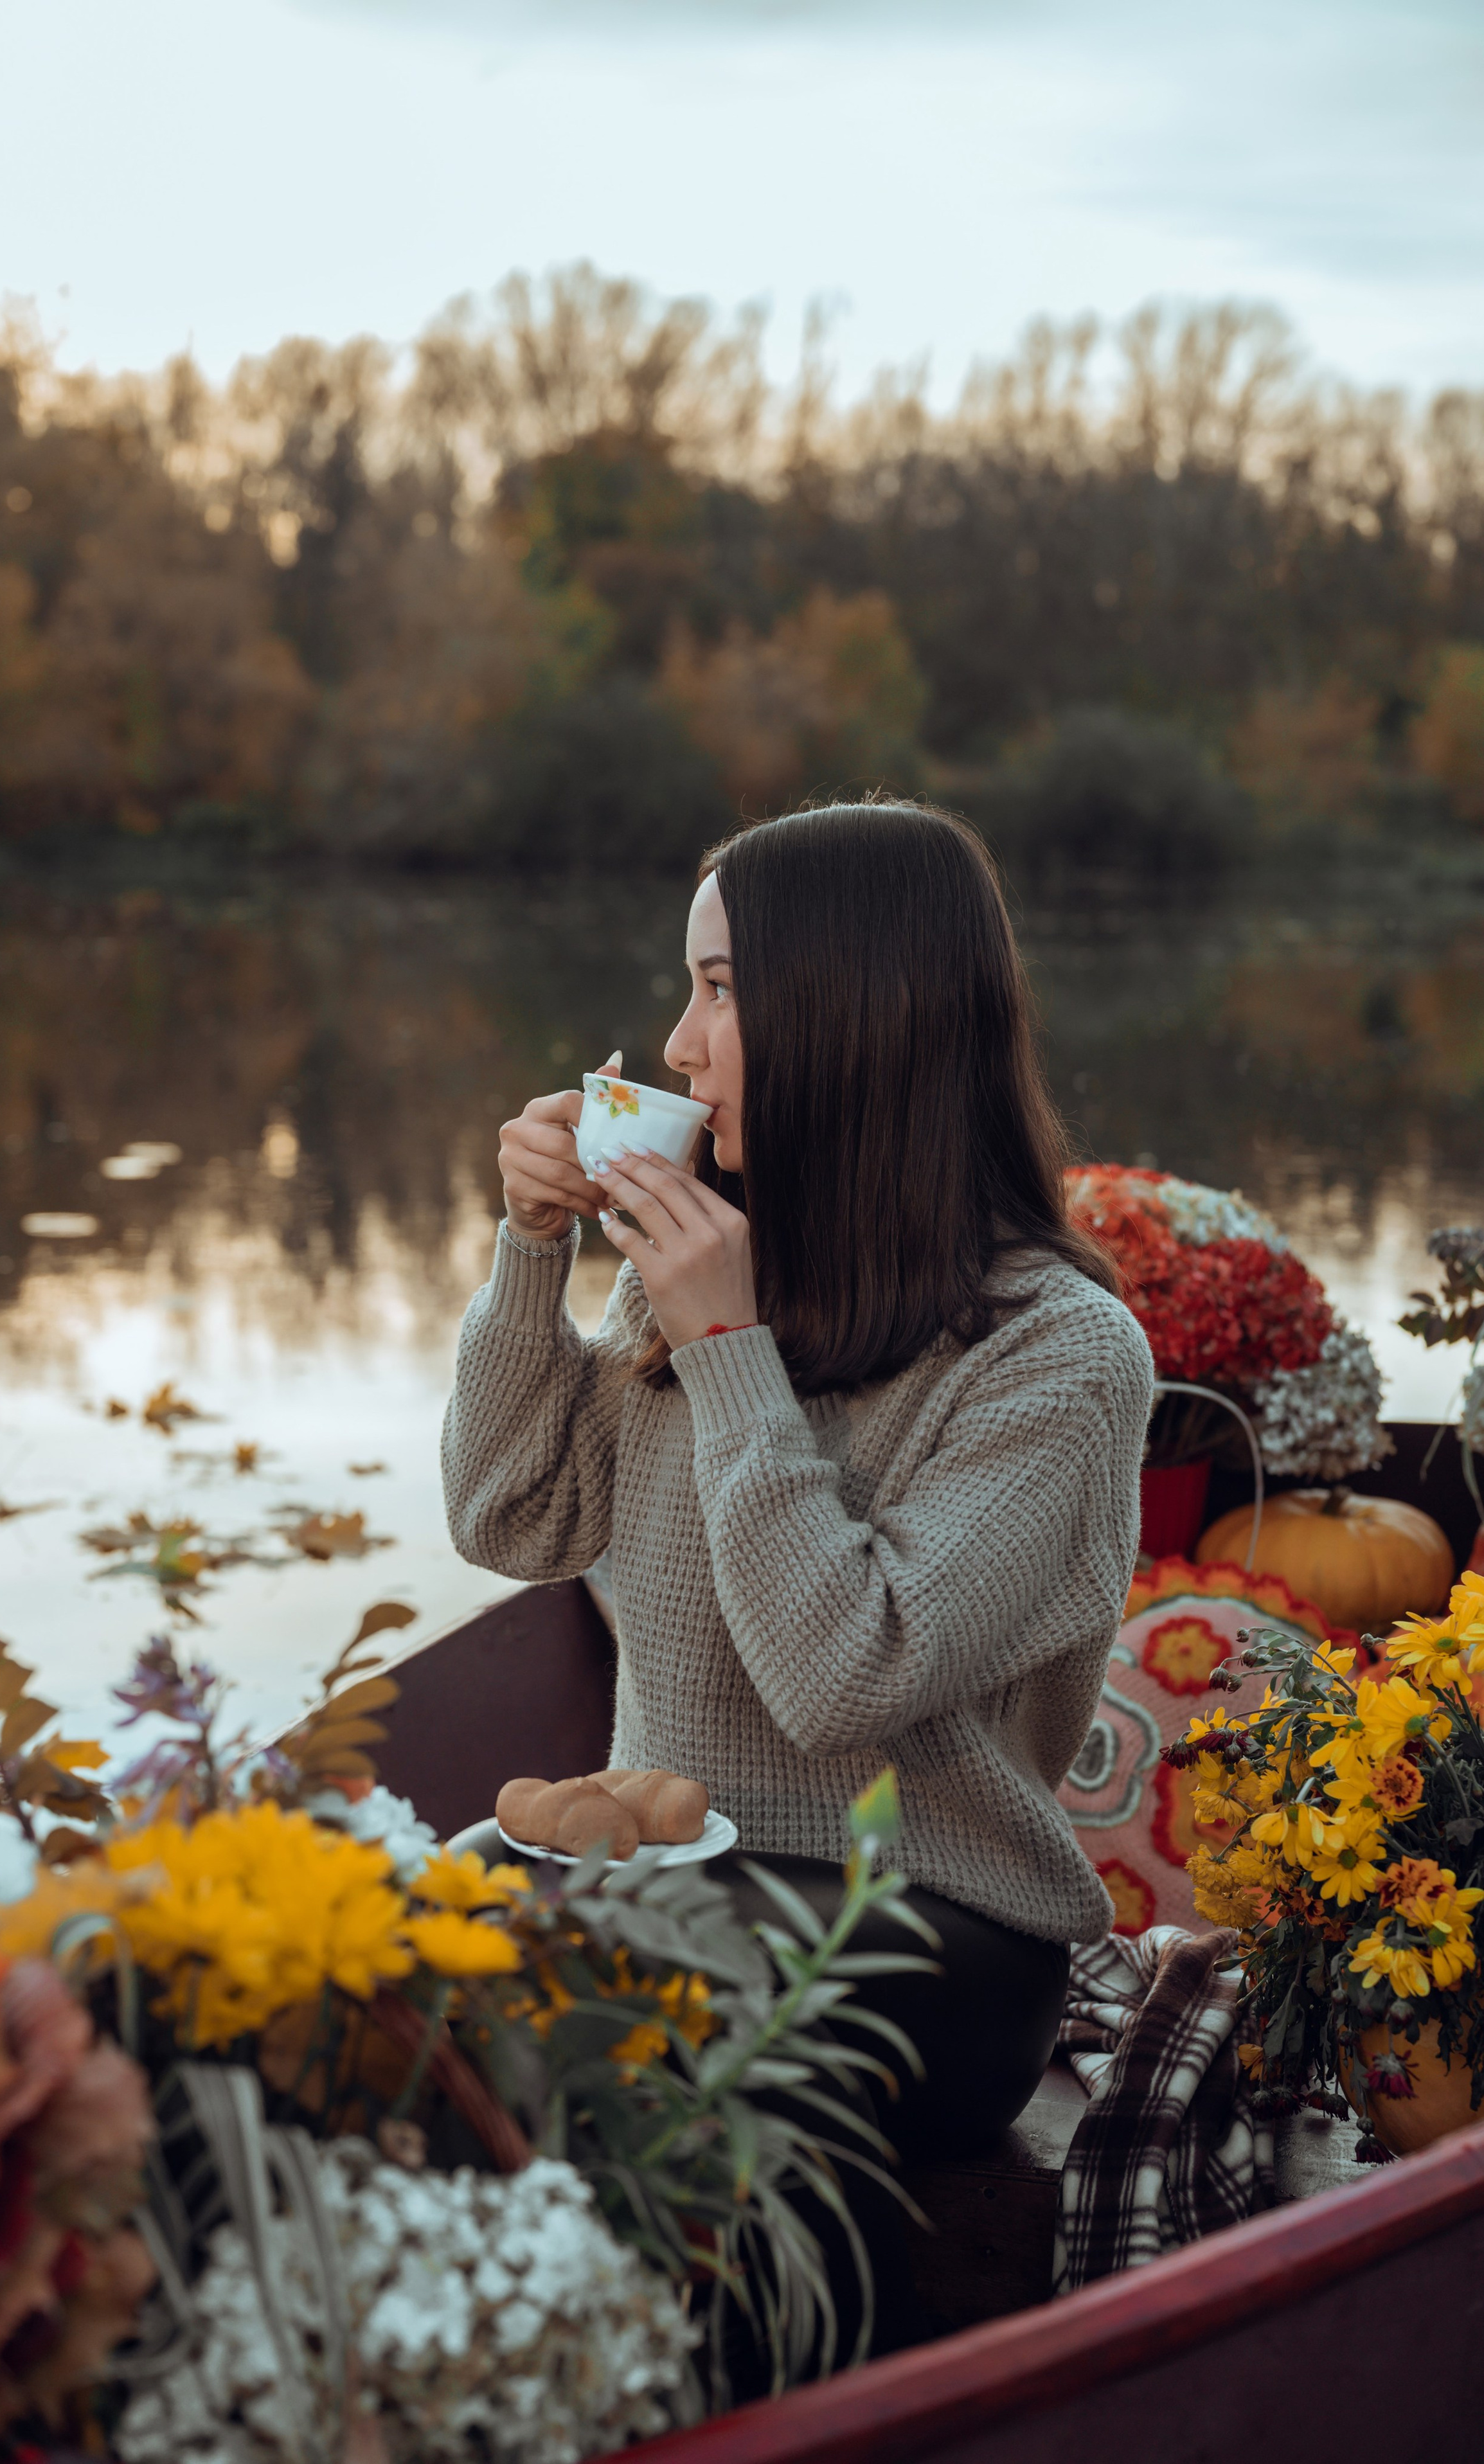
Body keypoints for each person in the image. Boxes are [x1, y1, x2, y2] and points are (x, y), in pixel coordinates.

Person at [441, 801, 1152, 2345]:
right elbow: (508, 1520)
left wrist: (726, 1349)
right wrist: (530, 1255)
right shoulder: (706, 1267)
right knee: (415, 1936)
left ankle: (783, 2394)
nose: (677, 1048)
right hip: (668, 1897)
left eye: (717, 990)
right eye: (683, 990)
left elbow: (846, 1676)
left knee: (613, 2009)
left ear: (852, 1016)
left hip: (930, 1938)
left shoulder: (1057, 1354)